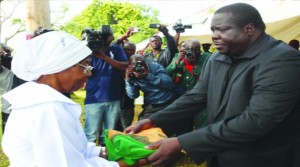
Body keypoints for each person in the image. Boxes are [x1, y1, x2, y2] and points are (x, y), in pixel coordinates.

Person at [125, 3, 300, 167]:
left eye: (222, 30)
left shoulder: (282, 60)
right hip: (219, 155)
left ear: (249, 29)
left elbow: (257, 121)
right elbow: (196, 96)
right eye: (213, 30)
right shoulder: (218, 58)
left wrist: (182, 143)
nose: (214, 35)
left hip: (262, 158)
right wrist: (154, 120)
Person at [1, 31, 147, 167]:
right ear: (59, 67)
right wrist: (135, 162)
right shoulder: (48, 109)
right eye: (86, 66)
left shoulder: (41, 101)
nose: (89, 74)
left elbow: (76, 148)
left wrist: (105, 152)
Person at [83, 25, 128, 145]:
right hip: (94, 98)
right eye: (104, 35)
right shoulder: (89, 51)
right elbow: (85, 72)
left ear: (112, 36)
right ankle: (88, 158)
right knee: (91, 133)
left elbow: (124, 66)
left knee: (109, 132)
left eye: (109, 35)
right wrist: (87, 67)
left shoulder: (116, 49)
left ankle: (106, 157)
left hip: (114, 97)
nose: (107, 38)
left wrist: (103, 57)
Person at [166, 39, 211, 130]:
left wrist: (194, 64)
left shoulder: (207, 57)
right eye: (187, 50)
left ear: (199, 50)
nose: (190, 53)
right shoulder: (178, 56)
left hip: (202, 97)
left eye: (194, 50)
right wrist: (179, 61)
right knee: (183, 126)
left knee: (201, 124)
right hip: (184, 96)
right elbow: (167, 73)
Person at [125, 54, 178, 124]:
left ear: (146, 63)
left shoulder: (155, 67)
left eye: (141, 65)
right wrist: (128, 81)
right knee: (141, 124)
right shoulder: (132, 73)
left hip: (168, 100)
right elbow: (133, 96)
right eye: (135, 66)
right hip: (152, 104)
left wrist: (148, 76)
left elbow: (169, 83)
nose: (138, 68)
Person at [0, 47, 14, 134]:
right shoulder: (5, 72)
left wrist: (5, 56)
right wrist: (6, 55)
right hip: (9, 110)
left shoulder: (7, 70)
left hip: (8, 109)